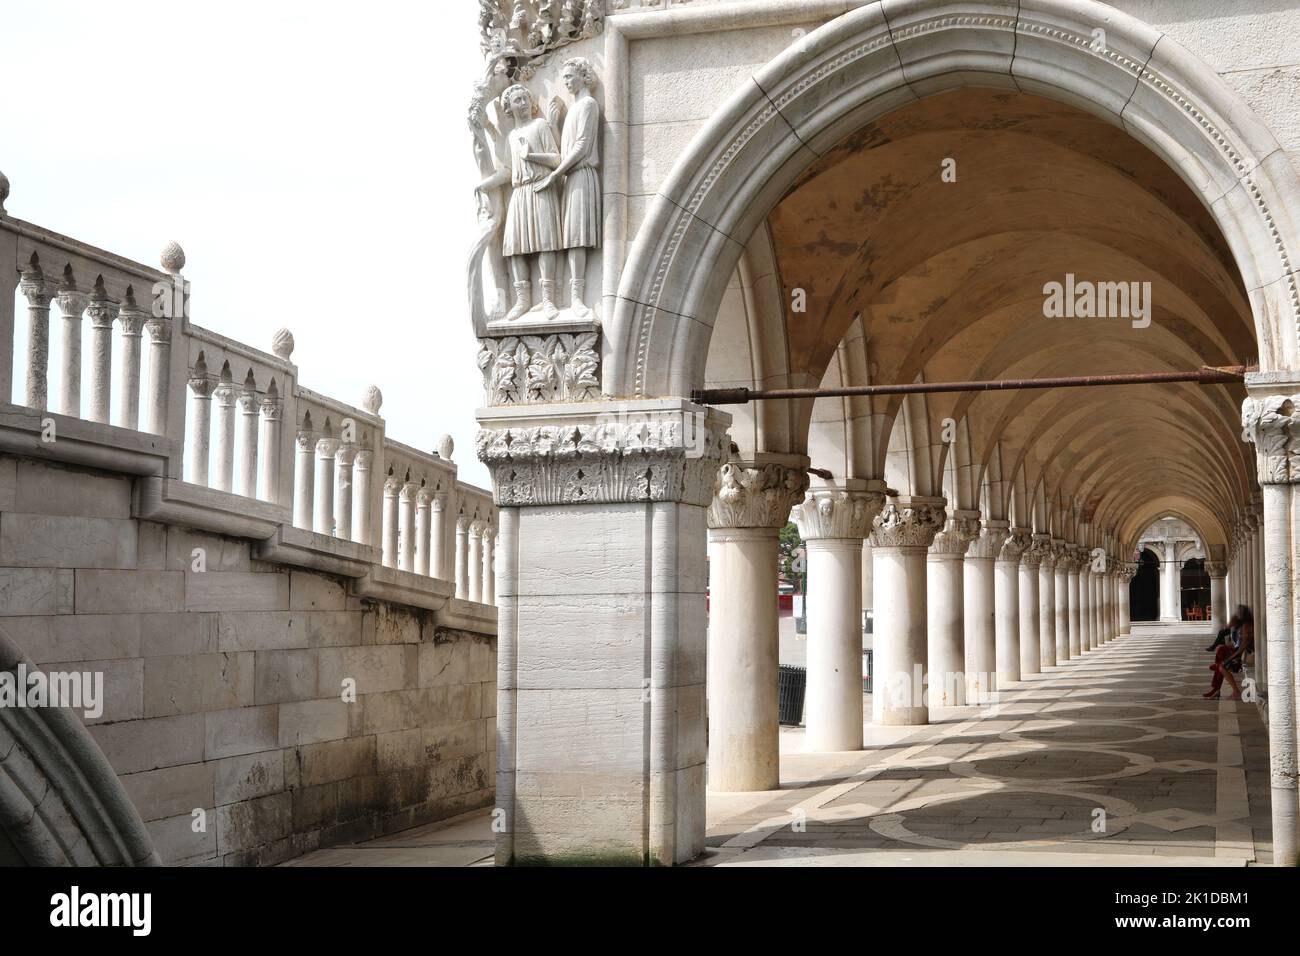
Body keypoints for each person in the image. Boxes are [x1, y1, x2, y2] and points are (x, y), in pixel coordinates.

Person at [1204, 605, 1253, 700]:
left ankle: (1235, 691)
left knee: (1221, 667)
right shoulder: (1241, 625)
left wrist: (1230, 659)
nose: (1236, 615)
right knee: (1221, 649)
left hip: (1243, 655)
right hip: (1237, 651)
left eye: (1238, 613)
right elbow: (1226, 628)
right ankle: (1216, 689)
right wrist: (1232, 622)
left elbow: (1242, 649)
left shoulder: (1246, 626)